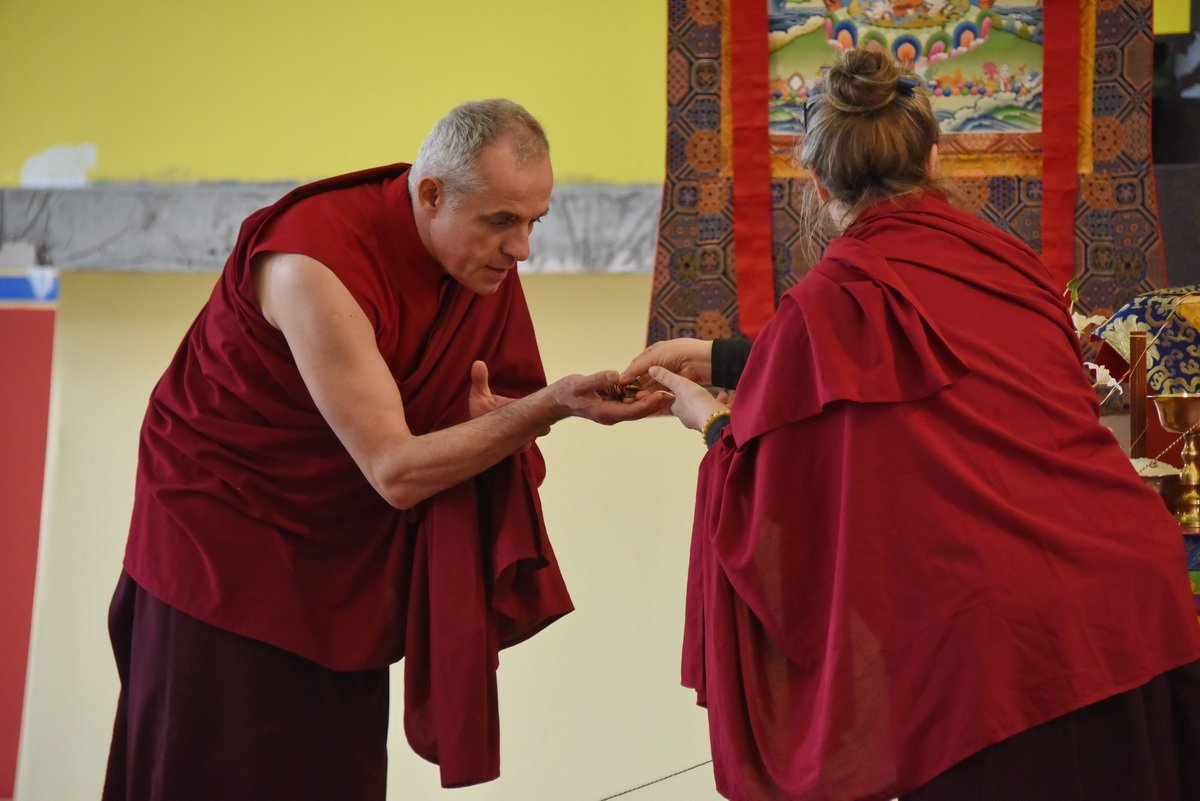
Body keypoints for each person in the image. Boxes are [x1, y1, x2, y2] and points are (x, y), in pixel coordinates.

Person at [622, 48, 1200, 801]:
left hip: (1006, 659)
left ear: (817, 182)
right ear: (932, 157)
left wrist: (711, 425)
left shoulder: (823, 307)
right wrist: (723, 356)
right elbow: (926, 361)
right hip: (1136, 603)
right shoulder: (1006, 260)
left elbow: (771, 493)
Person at [101, 98, 672, 801]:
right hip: (224, 550)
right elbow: (395, 470)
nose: (522, 248)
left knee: (333, 773)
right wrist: (551, 404)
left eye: (535, 222)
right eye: (502, 221)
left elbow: (462, 418)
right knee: (217, 774)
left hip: (348, 563)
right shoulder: (314, 263)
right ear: (431, 195)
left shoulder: (471, 265)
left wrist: (491, 422)